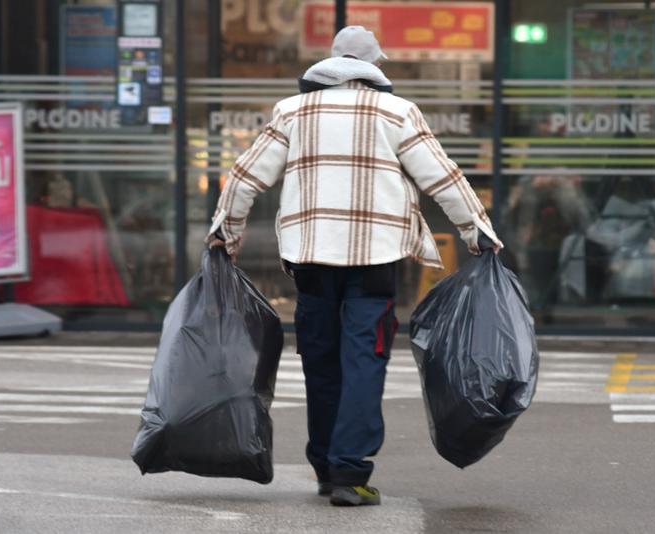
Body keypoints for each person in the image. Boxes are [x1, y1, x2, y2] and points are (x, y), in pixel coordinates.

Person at [208, 25, 503, 506]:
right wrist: (477, 232)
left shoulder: (293, 110)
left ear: (330, 64)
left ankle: (325, 466)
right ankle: (350, 473)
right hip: (374, 259)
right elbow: (442, 176)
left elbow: (245, 175)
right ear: (374, 67)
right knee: (364, 360)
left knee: (321, 363)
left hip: (310, 259)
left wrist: (228, 230)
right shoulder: (397, 112)